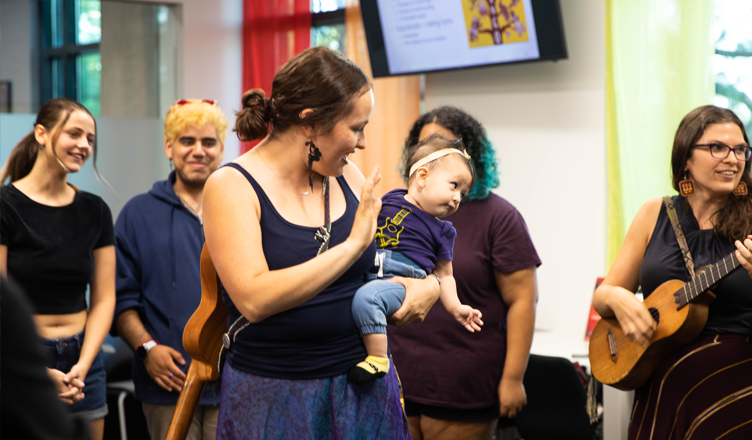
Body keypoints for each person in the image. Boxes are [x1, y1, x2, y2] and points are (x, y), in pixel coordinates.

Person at [202, 46, 440, 439]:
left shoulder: (348, 178)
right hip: (275, 394)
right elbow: (254, 298)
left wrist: (427, 285)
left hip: (361, 387)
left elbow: (394, 257)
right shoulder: (231, 186)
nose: (362, 143)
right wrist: (349, 248)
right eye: (356, 127)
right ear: (310, 122)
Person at [592, 105, 752, 438]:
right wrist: (620, 298)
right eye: (717, 148)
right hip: (660, 388)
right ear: (686, 159)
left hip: (733, 392)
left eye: (740, 150)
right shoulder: (654, 213)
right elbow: (604, 295)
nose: (733, 159)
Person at [388, 106, 541, 440]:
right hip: (396, 380)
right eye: (424, 144)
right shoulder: (399, 209)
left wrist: (513, 379)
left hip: (462, 387)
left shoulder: (500, 218)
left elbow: (523, 301)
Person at [0, 98, 116, 440]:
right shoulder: (6, 206)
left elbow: (105, 298)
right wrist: (40, 368)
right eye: (74, 134)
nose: (84, 145)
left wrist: (83, 364)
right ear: (41, 133)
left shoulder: (95, 210)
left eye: (90, 139)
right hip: (22, 355)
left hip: (85, 358)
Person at [113, 99, 226, 440]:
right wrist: (147, 349)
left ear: (222, 150)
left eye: (208, 142)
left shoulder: (242, 209)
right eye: (186, 141)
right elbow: (119, 300)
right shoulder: (137, 215)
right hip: (168, 384)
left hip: (234, 381)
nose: (198, 151)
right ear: (168, 147)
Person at [350, 134, 483, 384]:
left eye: (463, 194)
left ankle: (378, 359)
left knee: (368, 299)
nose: (458, 198)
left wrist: (455, 307)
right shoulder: (390, 199)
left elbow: (445, 274)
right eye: (455, 186)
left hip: (401, 281)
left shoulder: (444, 230)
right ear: (422, 176)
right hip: (370, 270)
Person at [1, 275, 90, 440]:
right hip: (33, 349)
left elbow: (105, 296)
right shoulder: (8, 301)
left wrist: (84, 363)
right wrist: (45, 373)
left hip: (83, 353)